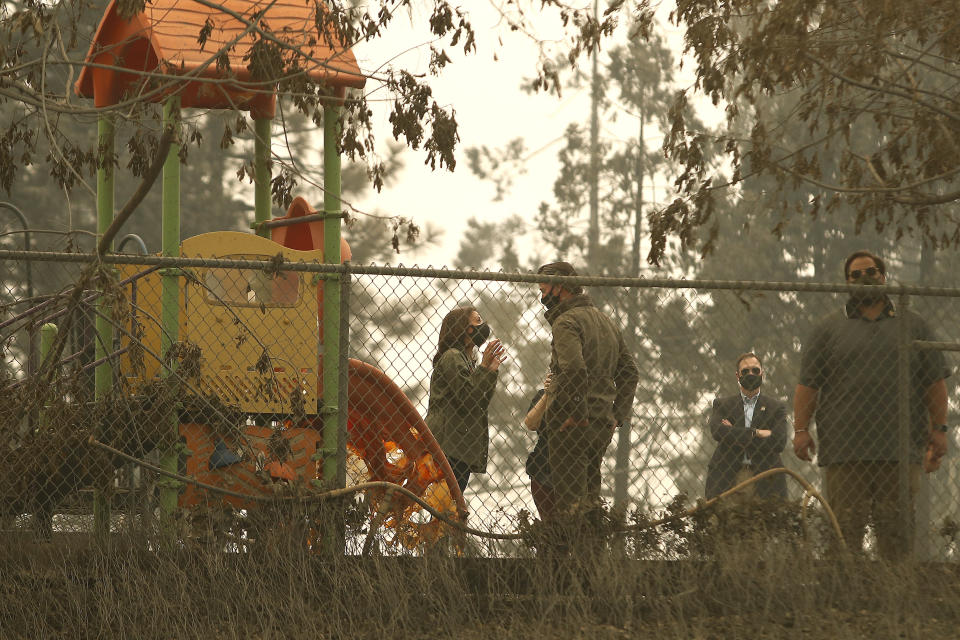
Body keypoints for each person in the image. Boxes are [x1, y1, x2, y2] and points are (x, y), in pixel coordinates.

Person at [793, 250, 950, 559]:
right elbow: (808, 385)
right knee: (843, 536)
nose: (864, 279)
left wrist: (940, 430)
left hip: (901, 450)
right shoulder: (828, 329)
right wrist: (800, 430)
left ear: (883, 277)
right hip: (844, 451)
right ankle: (842, 601)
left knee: (897, 537)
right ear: (847, 283)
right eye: (856, 275)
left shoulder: (914, 325)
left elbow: (935, 384)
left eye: (871, 273)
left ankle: (894, 602)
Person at [536, 261, 640, 517]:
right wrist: (617, 415)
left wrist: (577, 415)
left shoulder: (565, 321)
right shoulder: (606, 322)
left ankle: (576, 555)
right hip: (601, 423)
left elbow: (574, 369)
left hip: (571, 425)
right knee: (590, 501)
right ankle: (593, 554)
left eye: (544, 287)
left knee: (570, 507)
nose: (541, 295)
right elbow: (629, 372)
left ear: (560, 287)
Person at [427, 306, 506, 495]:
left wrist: (490, 370)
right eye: (477, 320)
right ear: (465, 328)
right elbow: (466, 398)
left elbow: (479, 402)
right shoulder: (453, 356)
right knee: (446, 505)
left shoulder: (468, 362)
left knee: (450, 504)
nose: (483, 325)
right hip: (447, 446)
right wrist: (485, 368)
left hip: (458, 446)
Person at [705, 352, 788, 501]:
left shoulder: (776, 407)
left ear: (762, 373)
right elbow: (718, 431)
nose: (751, 374)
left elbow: (779, 441)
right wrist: (757, 433)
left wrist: (734, 432)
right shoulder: (722, 405)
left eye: (755, 370)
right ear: (738, 376)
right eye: (745, 371)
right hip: (727, 478)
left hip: (767, 480)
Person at [523, 373, 556, 520]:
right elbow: (531, 423)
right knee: (550, 525)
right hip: (544, 470)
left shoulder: (582, 397)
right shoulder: (543, 395)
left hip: (575, 468)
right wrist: (548, 394)